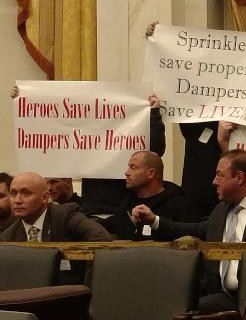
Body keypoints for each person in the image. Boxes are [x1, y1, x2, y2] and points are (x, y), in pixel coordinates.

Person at [130, 149, 246, 313]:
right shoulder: (221, 209)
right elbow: (196, 228)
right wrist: (155, 220)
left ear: (239, 177)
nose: (214, 181)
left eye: (220, 175)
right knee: (175, 308)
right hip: (224, 296)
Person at [145, 22, 246, 216]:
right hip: (199, 194)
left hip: (238, 195)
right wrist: (156, 41)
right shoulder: (190, 108)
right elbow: (170, 81)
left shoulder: (243, 106)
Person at [9, 86, 166, 218]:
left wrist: (153, 114)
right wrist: (25, 99)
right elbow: (49, 132)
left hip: (124, 211)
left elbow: (155, 150)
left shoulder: (127, 137)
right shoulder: (83, 143)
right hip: (91, 212)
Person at [103, 151, 197, 241]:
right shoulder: (128, 203)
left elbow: (192, 237)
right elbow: (109, 225)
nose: (127, 173)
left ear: (151, 173)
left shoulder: (179, 205)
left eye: (133, 167)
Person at [0, 172, 112, 242]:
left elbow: (101, 238)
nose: (18, 200)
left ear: (44, 198)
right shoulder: (8, 236)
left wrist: (87, 279)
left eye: (26, 193)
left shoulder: (66, 215)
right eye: (13, 193)